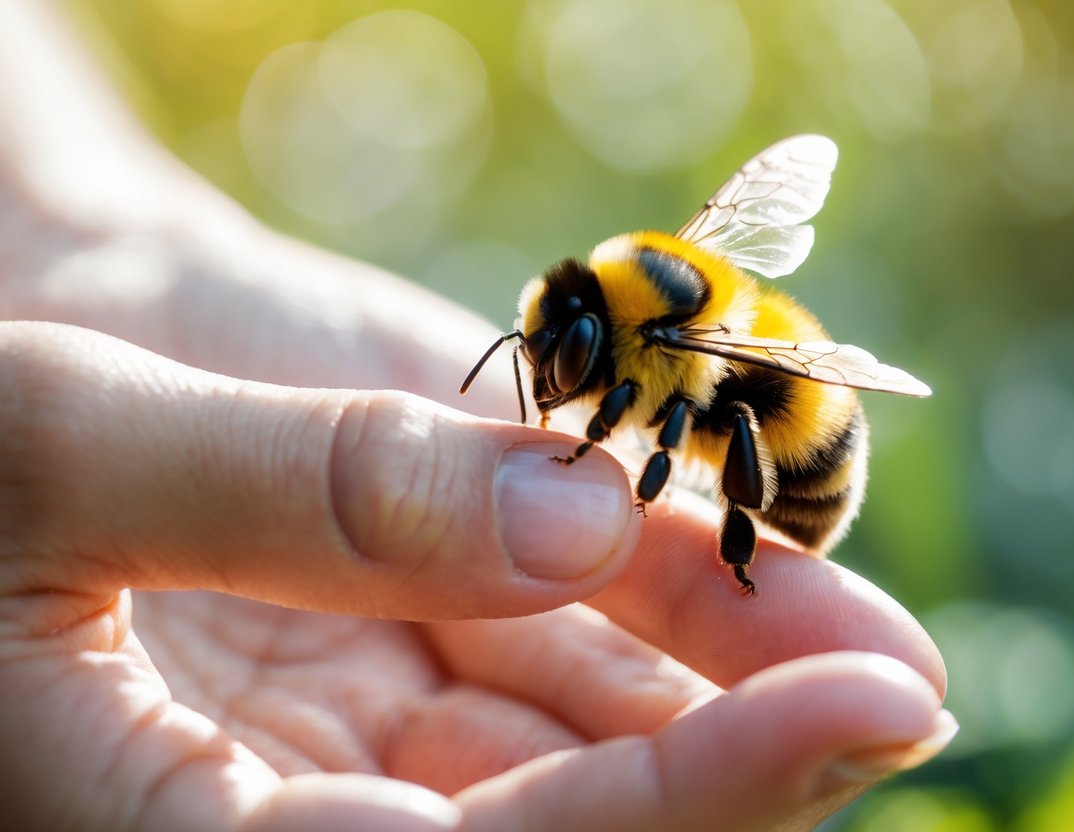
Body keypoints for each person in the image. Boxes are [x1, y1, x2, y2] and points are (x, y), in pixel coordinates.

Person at [0, 2, 953, 829]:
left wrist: (90, 237)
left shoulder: (665, 348)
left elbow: (672, 413)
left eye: (566, 361)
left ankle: (739, 551)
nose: (556, 379)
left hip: (796, 433)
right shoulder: (633, 313)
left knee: (723, 417)